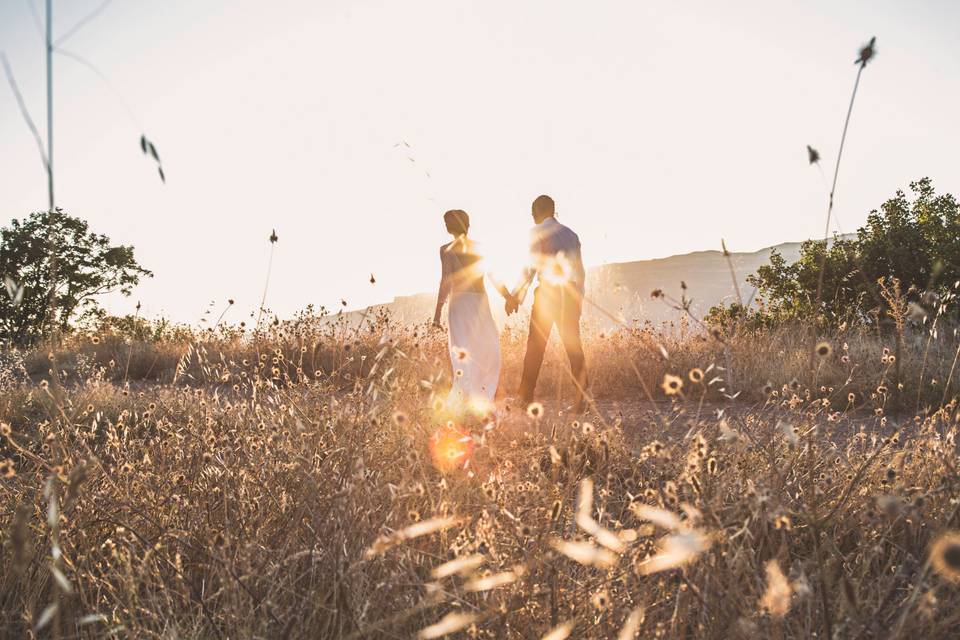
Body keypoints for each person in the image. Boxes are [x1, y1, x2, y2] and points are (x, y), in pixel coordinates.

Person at [506, 195, 588, 412]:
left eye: (533, 210)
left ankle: (525, 398)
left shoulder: (536, 232)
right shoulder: (572, 234)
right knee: (573, 347)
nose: (532, 215)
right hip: (569, 295)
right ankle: (582, 401)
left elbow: (530, 268)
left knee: (535, 347)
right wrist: (578, 299)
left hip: (547, 296)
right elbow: (580, 272)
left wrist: (515, 297)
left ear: (541, 210)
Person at [433, 209, 515, 414]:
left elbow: (446, 281)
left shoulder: (446, 250)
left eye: (447, 223)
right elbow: (493, 276)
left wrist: (437, 313)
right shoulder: (479, 248)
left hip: (460, 304)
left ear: (451, 226)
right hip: (479, 302)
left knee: (463, 349)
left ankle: (471, 394)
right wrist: (508, 297)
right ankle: (480, 392)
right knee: (486, 346)